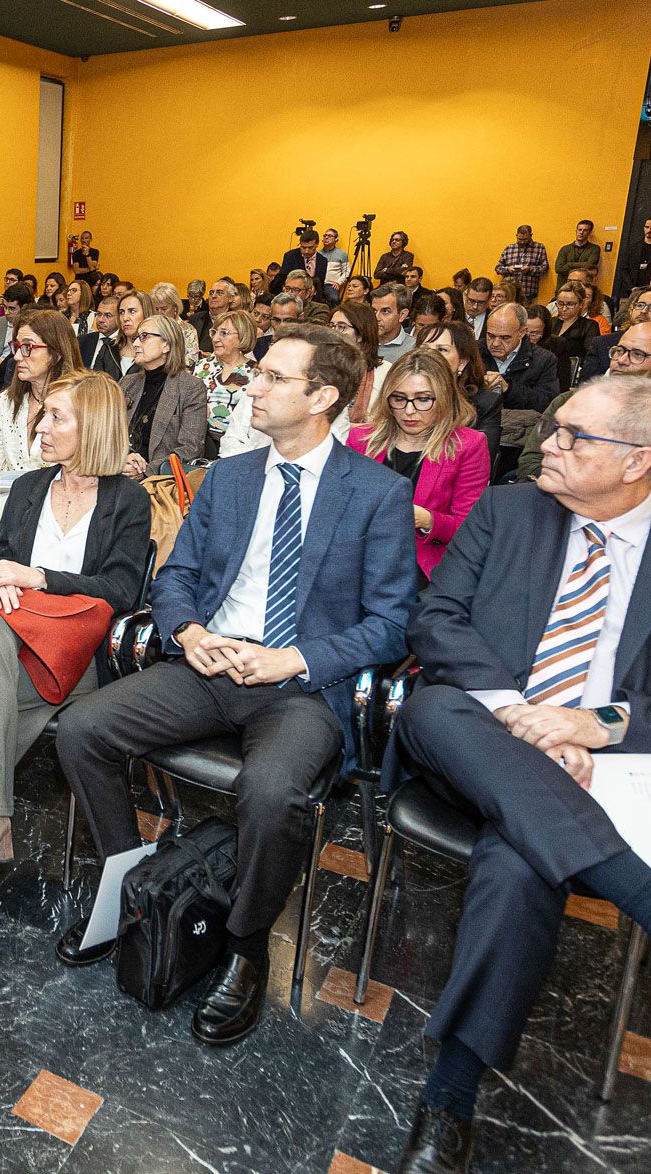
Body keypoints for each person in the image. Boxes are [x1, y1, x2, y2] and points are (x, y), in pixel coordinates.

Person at [388, 374, 651, 1174]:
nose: (549, 445)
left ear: (640, 460)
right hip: (478, 732)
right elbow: (437, 621)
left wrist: (598, 725)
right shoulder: (506, 514)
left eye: (574, 436)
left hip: (604, 766)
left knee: (521, 852)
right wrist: (524, 718)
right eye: (554, 428)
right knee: (431, 709)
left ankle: (449, 1096)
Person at [56, 322, 413, 1043]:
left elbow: (392, 624)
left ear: (323, 397)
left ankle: (246, 945)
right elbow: (178, 577)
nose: (253, 385)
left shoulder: (376, 493)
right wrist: (190, 634)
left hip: (302, 686)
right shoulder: (231, 476)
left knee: (273, 790)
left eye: (275, 377)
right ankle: (131, 887)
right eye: (260, 373)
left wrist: (298, 658)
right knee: (83, 728)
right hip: (210, 664)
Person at [0, 371, 151, 903]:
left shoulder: (126, 501)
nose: (39, 426)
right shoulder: (28, 487)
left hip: (77, 653)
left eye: (55, 417)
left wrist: (40, 577)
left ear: (92, 426)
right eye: (42, 413)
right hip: (10, 642)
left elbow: (119, 588)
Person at [517, 316, 651, 484]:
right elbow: (531, 461)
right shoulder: (569, 402)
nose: (621, 360)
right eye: (619, 350)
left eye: (638, 354)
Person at [346, 348, 487, 581]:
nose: (409, 411)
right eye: (399, 399)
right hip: (361, 559)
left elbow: (468, 528)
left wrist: (427, 520)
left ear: (443, 397)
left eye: (423, 399)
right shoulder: (362, 440)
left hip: (422, 567)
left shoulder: (468, 445)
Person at [0, 309, 79, 475]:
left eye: (27, 347)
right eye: (17, 346)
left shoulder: (80, 404)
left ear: (56, 353)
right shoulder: (5, 401)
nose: (17, 356)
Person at [119, 315, 206, 477]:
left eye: (144, 336)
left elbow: (190, 448)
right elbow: (108, 433)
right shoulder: (127, 383)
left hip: (158, 481)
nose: (136, 343)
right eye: (137, 337)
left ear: (166, 344)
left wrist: (146, 471)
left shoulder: (190, 388)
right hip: (119, 470)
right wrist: (119, 461)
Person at [414, 320, 502, 461]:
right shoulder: (401, 396)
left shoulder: (485, 404)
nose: (429, 356)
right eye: (424, 349)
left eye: (442, 350)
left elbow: (481, 462)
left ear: (462, 362)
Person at [481, 303, 561, 449]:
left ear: (522, 332)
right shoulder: (473, 352)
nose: (496, 343)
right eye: (490, 335)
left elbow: (546, 405)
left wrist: (509, 389)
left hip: (518, 441)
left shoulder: (544, 360)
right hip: (476, 431)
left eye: (505, 338)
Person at [326, 301, 392, 436]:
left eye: (342, 327)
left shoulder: (385, 371)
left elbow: (386, 423)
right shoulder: (321, 368)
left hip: (367, 443)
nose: (333, 332)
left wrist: (348, 428)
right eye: (331, 326)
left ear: (361, 335)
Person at [194, 311, 259, 438]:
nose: (215, 339)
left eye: (224, 333)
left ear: (243, 336)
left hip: (238, 442)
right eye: (214, 332)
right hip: (199, 440)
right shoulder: (200, 366)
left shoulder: (256, 372)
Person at [544, 281, 601, 390]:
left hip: (570, 376)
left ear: (581, 304)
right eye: (560, 304)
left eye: (570, 304)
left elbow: (590, 356)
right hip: (546, 372)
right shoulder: (550, 322)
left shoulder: (589, 325)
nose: (564, 309)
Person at [271, 231, 335, 300]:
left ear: (317, 245)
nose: (306, 251)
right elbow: (283, 278)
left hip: (314, 298)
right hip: (293, 296)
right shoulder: (290, 256)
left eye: (310, 248)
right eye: (303, 247)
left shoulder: (322, 261)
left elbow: (320, 284)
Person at [494, 225, 549, 303]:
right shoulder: (509, 248)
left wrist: (529, 269)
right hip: (508, 292)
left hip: (528, 292)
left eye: (525, 239)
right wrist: (508, 269)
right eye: (520, 239)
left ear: (531, 235)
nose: (522, 242)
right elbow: (498, 268)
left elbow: (544, 267)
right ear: (516, 235)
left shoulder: (539, 247)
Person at [78, 290, 123, 378]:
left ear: (120, 317)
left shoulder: (125, 343)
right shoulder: (82, 341)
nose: (101, 320)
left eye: (108, 315)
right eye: (98, 314)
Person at [371, 285, 416, 365]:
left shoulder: (415, 350)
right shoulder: (359, 343)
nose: (376, 317)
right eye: (374, 310)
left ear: (402, 315)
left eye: (385, 311)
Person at [318, 228, 349, 299]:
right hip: (318, 284)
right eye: (325, 235)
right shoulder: (317, 254)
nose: (326, 237)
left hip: (331, 285)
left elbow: (346, 271)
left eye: (330, 236)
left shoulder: (342, 254)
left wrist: (338, 282)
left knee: (334, 299)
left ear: (336, 239)